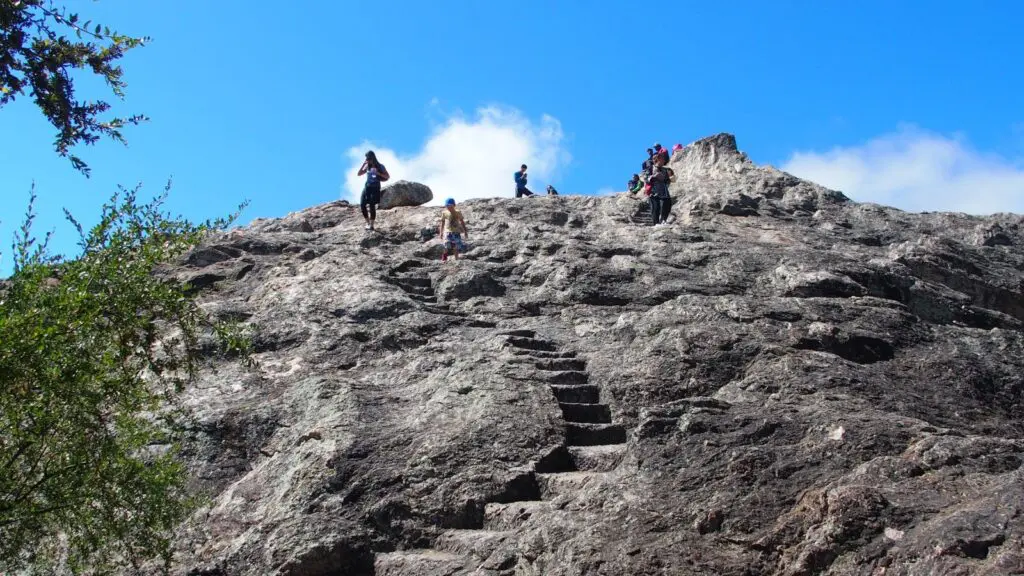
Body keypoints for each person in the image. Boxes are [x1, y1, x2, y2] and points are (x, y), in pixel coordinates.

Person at [357, 150, 389, 230]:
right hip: (367, 186)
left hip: (375, 187)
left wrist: (378, 173)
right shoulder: (367, 165)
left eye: (369, 159)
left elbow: (387, 176)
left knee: (372, 205)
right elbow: (359, 174)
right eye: (367, 159)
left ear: (373, 158)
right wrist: (364, 164)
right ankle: (367, 222)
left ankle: (371, 225)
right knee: (362, 204)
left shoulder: (380, 166)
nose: (368, 160)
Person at [438, 198, 468, 262]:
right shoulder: (444, 213)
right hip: (447, 232)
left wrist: (465, 231)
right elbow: (442, 222)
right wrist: (441, 232)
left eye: (450, 206)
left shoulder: (458, 212)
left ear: (454, 205)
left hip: (456, 232)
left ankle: (456, 259)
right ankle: (444, 259)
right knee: (446, 245)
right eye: (447, 206)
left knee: (456, 246)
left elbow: (462, 222)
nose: (449, 207)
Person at [648, 155, 675, 226]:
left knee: (667, 204)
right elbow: (646, 179)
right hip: (653, 190)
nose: (664, 161)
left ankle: (663, 220)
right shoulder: (650, 168)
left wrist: (669, 177)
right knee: (655, 208)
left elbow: (669, 180)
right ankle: (656, 224)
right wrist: (654, 176)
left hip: (663, 190)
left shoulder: (666, 170)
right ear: (658, 159)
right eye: (663, 159)